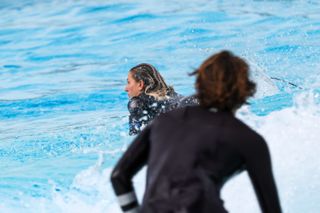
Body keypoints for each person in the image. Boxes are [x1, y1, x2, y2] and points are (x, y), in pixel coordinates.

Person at [112, 50, 282, 213]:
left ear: (199, 83)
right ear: (246, 90)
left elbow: (119, 176)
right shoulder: (250, 140)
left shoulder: (163, 121)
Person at [125, 63, 196, 135]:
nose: (125, 88)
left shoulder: (137, 103)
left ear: (140, 84)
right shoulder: (173, 95)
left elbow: (135, 139)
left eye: (128, 82)